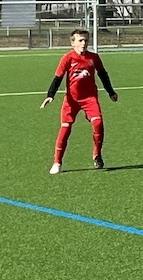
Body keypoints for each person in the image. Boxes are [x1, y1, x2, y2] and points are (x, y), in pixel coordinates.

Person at [40, 29, 118, 174]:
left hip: (90, 99)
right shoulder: (67, 58)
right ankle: (57, 162)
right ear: (73, 42)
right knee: (65, 128)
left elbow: (103, 75)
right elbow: (58, 78)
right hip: (72, 100)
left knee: (98, 123)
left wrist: (111, 92)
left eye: (86, 40)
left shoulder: (94, 58)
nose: (84, 43)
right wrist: (50, 95)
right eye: (80, 40)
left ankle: (97, 154)